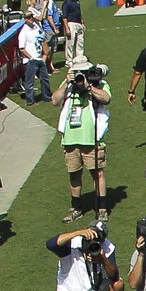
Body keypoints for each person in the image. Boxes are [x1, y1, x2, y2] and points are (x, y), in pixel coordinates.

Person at [57, 66, 111, 219]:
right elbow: (55, 100)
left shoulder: (99, 84)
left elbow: (106, 98)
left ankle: (102, 209)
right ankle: (76, 208)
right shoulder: (69, 85)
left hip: (92, 139)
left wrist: (88, 87)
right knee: (74, 174)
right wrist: (66, 83)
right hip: (70, 139)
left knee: (97, 174)